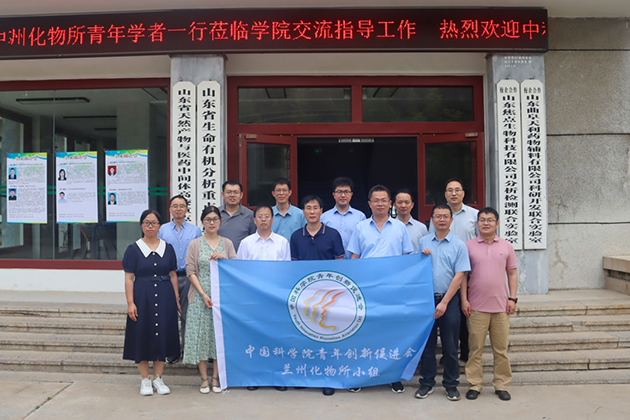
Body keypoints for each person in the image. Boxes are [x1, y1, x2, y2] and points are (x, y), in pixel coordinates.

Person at [347, 184, 413, 394]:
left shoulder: (400, 228)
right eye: (376, 200)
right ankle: (360, 375)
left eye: (384, 200)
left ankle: (393, 376)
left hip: (393, 290)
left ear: (390, 203)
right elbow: (354, 258)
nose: (380, 204)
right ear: (369, 203)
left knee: (391, 333)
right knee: (364, 332)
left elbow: (407, 259)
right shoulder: (360, 228)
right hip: (367, 289)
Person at [461, 207, 518, 402]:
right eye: (482, 220)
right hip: (476, 307)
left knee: (500, 350)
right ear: (477, 223)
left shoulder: (506, 246)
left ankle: (501, 384)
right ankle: (474, 384)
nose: (486, 223)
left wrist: (513, 298)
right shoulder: (468, 246)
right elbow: (463, 276)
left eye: (490, 220)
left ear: (497, 223)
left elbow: (512, 273)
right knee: (475, 349)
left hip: (501, 307)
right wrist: (464, 299)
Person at [122, 209, 181, 396]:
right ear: (141, 225)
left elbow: (172, 275)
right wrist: (130, 303)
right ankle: (145, 380)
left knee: (162, 335)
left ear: (159, 226)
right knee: (142, 335)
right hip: (142, 296)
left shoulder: (167, 248)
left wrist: (176, 298)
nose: (150, 226)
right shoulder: (134, 249)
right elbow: (129, 278)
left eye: (154, 223)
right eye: (147, 223)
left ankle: (158, 378)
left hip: (165, 296)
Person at [290, 195, 344, 396]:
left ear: (322, 211)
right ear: (303, 212)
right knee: (305, 335)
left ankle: (328, 378)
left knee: (327, 336)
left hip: (329, 294)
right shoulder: (296, 236)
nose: (312, 211)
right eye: (308, 208)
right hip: (305, 294)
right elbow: (294, 266)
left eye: (315, 208)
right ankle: (305, 375)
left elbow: (340, 263)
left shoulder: (333, 234)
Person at [416, 204, 471, 402]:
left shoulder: (459, 245)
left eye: (445, 216)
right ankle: (427, 383)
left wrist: (444, 302)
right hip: (426, 300)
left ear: (451, 220)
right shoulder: (423, 242)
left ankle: (451, 385)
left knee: (450, 345)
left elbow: (459, 275)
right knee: (427, 346)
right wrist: (421, 257)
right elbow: (416, 269)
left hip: (450, 300)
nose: (441, 219)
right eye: (438, 216)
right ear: (432, 219)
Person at [237, 204, 290, 391]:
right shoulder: (246, 243)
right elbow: (240, 272)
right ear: (254, 220)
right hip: (253, 299)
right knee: (254, 337)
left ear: (272, 219)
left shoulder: (282, 242)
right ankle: (254, 377)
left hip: (275, 298)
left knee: (276, 337)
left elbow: (286, 272)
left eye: (267, 216)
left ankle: (277, 376)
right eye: (260, 216)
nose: (264, 219)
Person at [184, 206, 236, 394]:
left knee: (218, 337)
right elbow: (190, 271)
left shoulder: (227, 243)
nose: (212, 222)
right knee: (201, 336)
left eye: (215, 219)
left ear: (220, 221)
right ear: (202, 222)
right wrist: (203, 294)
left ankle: (216, 377)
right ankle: (204, 378)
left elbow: (236, 268)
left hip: (222, 298)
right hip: (200, 297)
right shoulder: (195, 244)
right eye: (208, 219)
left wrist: (224, 258)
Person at [429, 178, 478, 364]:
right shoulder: (439, 215)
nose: (454, 193)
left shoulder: (474, 215)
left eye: (457, 190)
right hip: (446, 271)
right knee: (450, 316)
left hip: (469, 271)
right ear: (445, 194)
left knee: (464, 313)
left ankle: (465, 353)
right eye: (450, 190)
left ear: (463, 193)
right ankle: (447, 354)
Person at [158, 195, 202, 364]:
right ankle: (171, 351)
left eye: (182, 206)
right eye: (175, 206)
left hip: (189, 277)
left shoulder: (195, 230)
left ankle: (186, 349)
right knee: (168, 316)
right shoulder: (162, 230)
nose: (178, 209)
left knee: (186, 316)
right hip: (168, 277)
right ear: (170, 209)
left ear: (186, 209)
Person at [321, 177, 366, 259]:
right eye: (339, 192)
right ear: (333, 194)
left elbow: (364, 241)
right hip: (331, 262)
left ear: (351, 194)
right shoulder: (324, 217)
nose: (343, 195)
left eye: (346, 192)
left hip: (354, 262)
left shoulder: (360, 216)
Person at [216, 180, 256, 252]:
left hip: (242, 257)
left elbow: (253, 238)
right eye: (228, 192)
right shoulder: (215, 214)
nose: (232, 195)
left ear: (241, 195)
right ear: (223, 195)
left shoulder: (250, 215)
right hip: (219, 257)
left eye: (236, 192)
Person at [393, 189, 428, 253]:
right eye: (400, 202)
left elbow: (426, 249)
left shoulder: (421, 228)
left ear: (412, 205)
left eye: (407, 202)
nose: (403, 205)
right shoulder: (389, 227)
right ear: (395, 205)